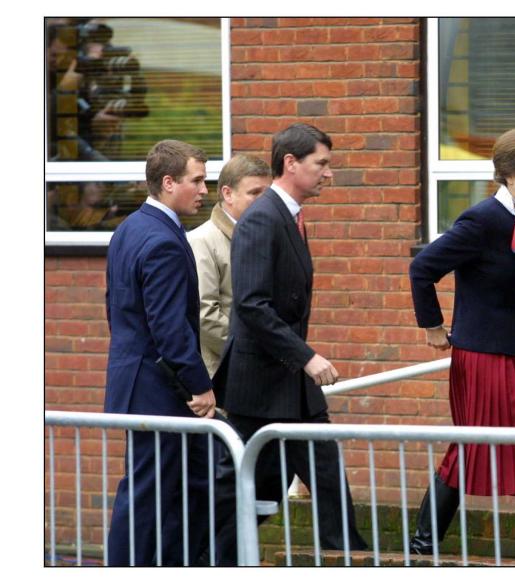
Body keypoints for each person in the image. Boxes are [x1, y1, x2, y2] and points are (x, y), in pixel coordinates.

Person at [210, 123, 367, 564]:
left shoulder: (287, 217)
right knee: (238, 492)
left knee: (315, 480)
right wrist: (308, 357)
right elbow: (252, 305)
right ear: (291, 163)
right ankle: (201, 561)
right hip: (262, 386)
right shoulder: (263, 219)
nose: (329, 174)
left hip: (288, 386)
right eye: (322, 164)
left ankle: (348, 558)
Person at [408, 127, 515, 561]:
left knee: (473, 446)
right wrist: (433, 326)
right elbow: (422, 269)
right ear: (508, 175)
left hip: (507, 354)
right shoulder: (481, 220)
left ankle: (423, 545)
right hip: (481, 356)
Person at [103, 139, 216, 566]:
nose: (204, 189)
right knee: (149, 493)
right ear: (168, 183)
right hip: (157, 388)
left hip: (139, 381)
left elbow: (116, 307)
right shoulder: (164, 240)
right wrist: (199, 386)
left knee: (162, 489)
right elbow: (169, 327)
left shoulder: (130, 227)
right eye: (197, 181)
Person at [187, 154, 271, 378]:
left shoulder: (264, 237)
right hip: (225, 374)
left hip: (260, 370)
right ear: (227, 194)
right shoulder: (202, 240)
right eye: (254, 193)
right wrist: (257, 350)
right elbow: (205, 314)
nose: (264, 201)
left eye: (268, 193)